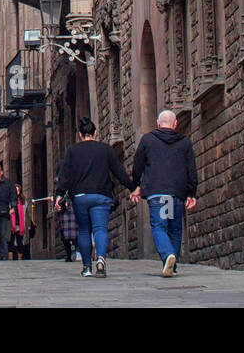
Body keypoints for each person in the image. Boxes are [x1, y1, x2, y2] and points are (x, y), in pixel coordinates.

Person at [55, 118, 135, 277]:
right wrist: (133, 188)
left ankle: (86, 267)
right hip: (101, 195)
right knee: (100, 229)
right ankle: (100, 259)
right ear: (96, 133)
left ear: (80, 134)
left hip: (80, 196)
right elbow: (118, 171)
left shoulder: (72, 151)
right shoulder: (105, 150)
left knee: (84, 230)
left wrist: (58, 195)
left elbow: (65, 176)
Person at [130, 109, 198, 277]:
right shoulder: (184, 142)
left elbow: (137, 165)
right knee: (175, 229)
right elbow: (191, 169)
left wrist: (136, 185)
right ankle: (172, 266)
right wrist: (192, 192)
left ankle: (168, 255)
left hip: (157, 193)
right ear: (175, 124)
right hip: (177, 193)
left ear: (158, 124)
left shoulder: (147, 140)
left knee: (159, 226)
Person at [9, 185, 36, 260]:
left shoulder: (23, 201)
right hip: (12, 225)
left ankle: (20, 257)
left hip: (21, 224)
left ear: (19, 192)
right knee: (12, 242)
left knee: (20, 241)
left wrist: (28, 225)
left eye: (17, 191)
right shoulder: (9, 201)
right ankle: (12, 258)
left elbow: (27, 214)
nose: (16, 193)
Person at [56, 190, 78, 262]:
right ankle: (73, 249)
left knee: (65, 234)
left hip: (67, 208)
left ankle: (70, 254)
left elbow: (58, 192)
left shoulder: (60, 181)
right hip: (71, 208)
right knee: (75, 232)